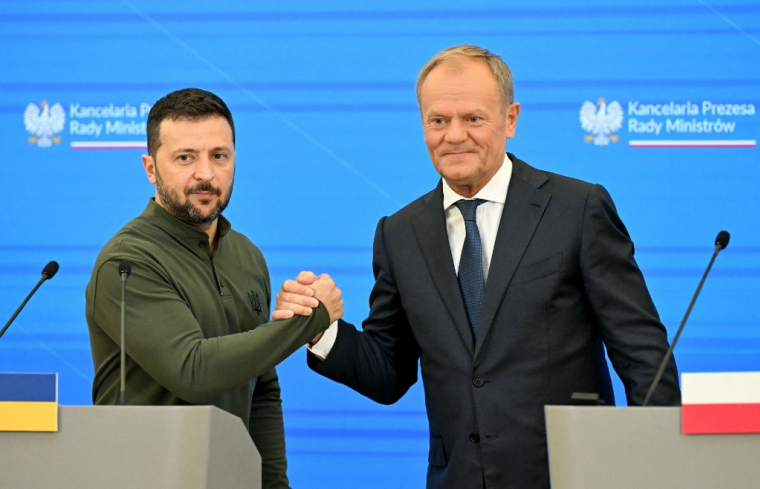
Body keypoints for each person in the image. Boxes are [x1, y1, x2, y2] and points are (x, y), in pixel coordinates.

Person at [273, 45, 680, 489]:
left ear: (510, 119)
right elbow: (389, 370)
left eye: (472, 118)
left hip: (570, 473)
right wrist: (321, 330)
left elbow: (642, 354)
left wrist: (658, 463)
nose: (454, 136)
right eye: (438, 120)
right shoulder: (400, 232)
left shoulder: (577, 209)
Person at [85, 88, 342, 489]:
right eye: (185, 157)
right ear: (151, 168)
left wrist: (274, 485)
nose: (205, 173)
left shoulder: (247, 256)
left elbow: (262, 390)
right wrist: (311, 321)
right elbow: (194, 370)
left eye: (218, 156)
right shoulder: (127, 261)